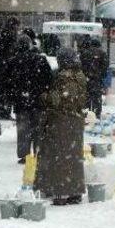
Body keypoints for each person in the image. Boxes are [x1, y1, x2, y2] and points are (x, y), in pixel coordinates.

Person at [35, 48, 87, 205]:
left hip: (62, 121)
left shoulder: (64, 77)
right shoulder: (80, 75)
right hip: (76, 121)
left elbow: (58, 100)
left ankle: (61, 193)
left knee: (60, 158)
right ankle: (75, 191)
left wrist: (44, 96)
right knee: (74, 158)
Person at [4, 35, 53, 163]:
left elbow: (6, 83)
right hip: (38, 102)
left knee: (23, 130)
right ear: (31, 45)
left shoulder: (13, 61)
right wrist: (43, 92)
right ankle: (38, 153)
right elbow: (49, 79)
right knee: (38, 129)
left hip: (21, 103)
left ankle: (24, 155)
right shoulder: (40, 60)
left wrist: (13, 97)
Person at [0, 17, 20, 118]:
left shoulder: (3, 34)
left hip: (3, 66)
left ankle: (3, 111)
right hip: (6, 66)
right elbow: (10, 51)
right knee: (8, 91)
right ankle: (5, 111)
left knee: (3, 90)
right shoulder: (10, 35)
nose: (18, 28)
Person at [80, 38, 109, 119]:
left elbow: (81, 66)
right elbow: (105, 67)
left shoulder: (84, 53)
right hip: (97, 80)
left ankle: (86, 116)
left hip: (86, 80)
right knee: (97, 99)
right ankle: (96, 116)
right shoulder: (103, 53)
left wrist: (85, 75)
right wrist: (101, 76)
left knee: (87, 98)